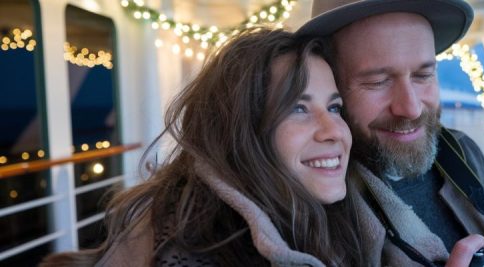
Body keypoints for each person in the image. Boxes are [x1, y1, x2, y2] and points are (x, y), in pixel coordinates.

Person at [40, 28, 377, 266]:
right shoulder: (193, 249)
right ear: (239, 132)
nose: (335, 130)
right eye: (298, 108)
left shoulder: (326, 215)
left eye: (334, 107)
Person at [297, 0, 484, 266]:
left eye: (423, 75)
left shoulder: (458, 148)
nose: (412, 108)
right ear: (328, 84)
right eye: (377, 82)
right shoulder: (316, 211)